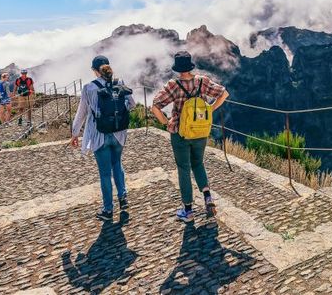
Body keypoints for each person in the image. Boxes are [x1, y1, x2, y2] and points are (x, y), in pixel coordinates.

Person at [151, 51, 229, 223]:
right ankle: (207, 197)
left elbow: (155, 107)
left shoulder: (174, 85)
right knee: (198, 163)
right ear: (190, 65)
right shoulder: (202, 81)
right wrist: (210, 109)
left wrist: (166, 122)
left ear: (178, 68)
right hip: (200, 131)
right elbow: (224, 94)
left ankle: (188, 211)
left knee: (184, 169)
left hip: (181, 133)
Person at [70, 56, 134, 221]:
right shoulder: (119, 83)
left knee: (105, 174)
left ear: (94, 71)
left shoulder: (89, 88)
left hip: (99, 135)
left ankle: (107, 210)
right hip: (119, 133)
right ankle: (123, 198)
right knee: (117, 164)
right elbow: (132, 104)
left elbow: (81, 113)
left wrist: (75, 133)